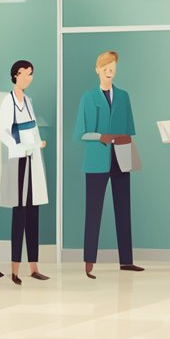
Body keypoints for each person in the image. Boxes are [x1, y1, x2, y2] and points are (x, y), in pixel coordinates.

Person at [74, 50, 143, 279]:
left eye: (112, 65)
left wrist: (124, 141)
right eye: (105, 65)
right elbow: (80, 134)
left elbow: (130, 129)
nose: (109, 69)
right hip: (96, 161)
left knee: (124, 210)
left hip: (121, 157)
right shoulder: (88, 97)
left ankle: (127, 261)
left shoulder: (124, 96)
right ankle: (89, 261)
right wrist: (102, 137)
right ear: (97, 69)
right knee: (93, 212)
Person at [0, 59, 49, 285]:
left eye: (31, 74)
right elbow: (3, 131)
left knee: (33, 213)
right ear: (16, 75)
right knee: (19, 213)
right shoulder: (7, 102)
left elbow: (33, 127)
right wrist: (18, 147)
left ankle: (34, 267)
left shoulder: (28, 100)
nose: (29, 78)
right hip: (18, 159)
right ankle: (15, 269)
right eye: (27, 74)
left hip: (32, 158)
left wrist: (38, 143)